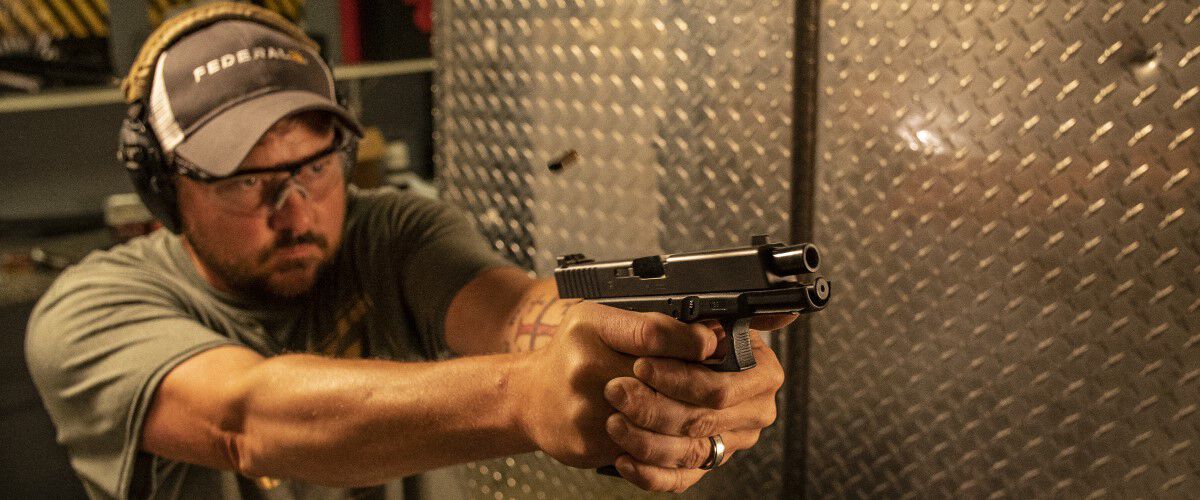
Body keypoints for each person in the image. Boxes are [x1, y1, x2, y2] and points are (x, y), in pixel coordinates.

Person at [25, 3, 793, 499]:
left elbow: (523, 314)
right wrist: (526, 397)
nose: (294, 210)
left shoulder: (389, 230)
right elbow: (244, 418)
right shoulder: (89, 313)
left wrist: (660, 366)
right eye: (243, 181)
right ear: (165, 191)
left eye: (314, 166)